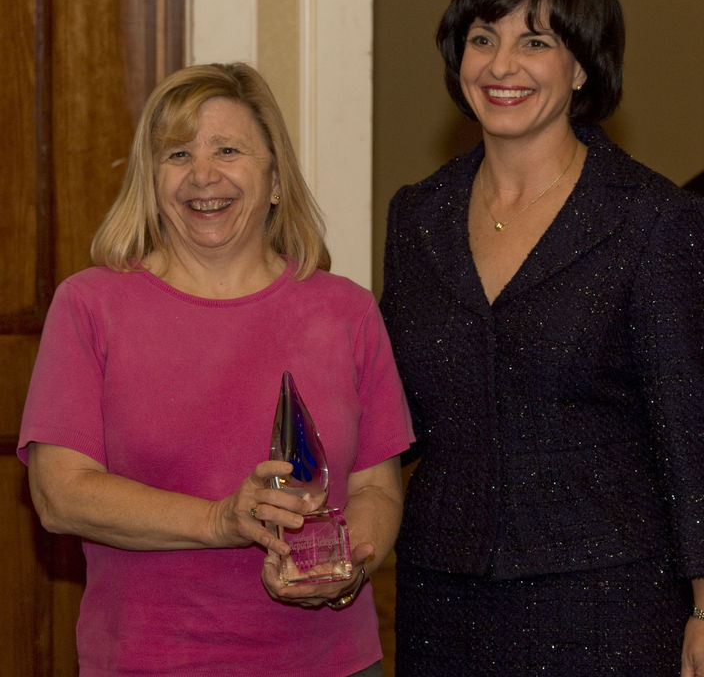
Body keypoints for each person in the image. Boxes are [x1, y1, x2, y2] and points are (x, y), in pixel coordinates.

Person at [380, 0, 704, 676]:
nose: (500, 65)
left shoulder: (651, 218)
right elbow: (391, 413)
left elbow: (689, 430)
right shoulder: (417, 217)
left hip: (608, 600)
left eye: (533, 41)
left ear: (580, 67)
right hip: (441, 602)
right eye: (482, 38)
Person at [18, 62, 413, 676]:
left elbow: (376, 489)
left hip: (328, 662)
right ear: (152, 181)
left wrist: (345, 567)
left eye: (227, 149)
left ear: (275, 179)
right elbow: (59, 495)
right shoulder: (91, 305)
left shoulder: (346, 310)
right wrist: (219, 520)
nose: (202, 176)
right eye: (177, 154)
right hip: (147, 663)